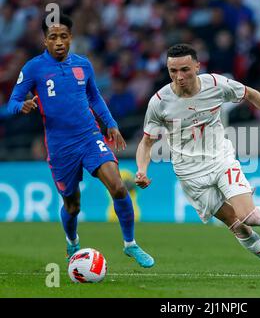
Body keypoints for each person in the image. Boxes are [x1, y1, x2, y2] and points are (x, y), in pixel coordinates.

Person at [135, 43, 260, 281]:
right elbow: (146, 143)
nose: (179, 77)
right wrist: (142, 170)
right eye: (173, 71)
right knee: (237, 226)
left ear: (197, 66)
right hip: (190, 175)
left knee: (251, 217)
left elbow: (252, 94)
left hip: (220, 160)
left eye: (184, 69)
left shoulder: (216, 84)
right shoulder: (159, 101)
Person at [7, 14, 154, 268]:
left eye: (64, 36)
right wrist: (23, 106)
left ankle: (130, 244)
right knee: (72, 205)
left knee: (118, 186)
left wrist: (111, 124)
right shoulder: (33, 68)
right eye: (53, 37)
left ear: (71, 38)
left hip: (89, 136)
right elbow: (11, 104)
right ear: (45, 41)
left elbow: (94, 97)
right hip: (60, 147)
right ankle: (72, 239)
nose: (59, 42)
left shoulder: (83, 65)